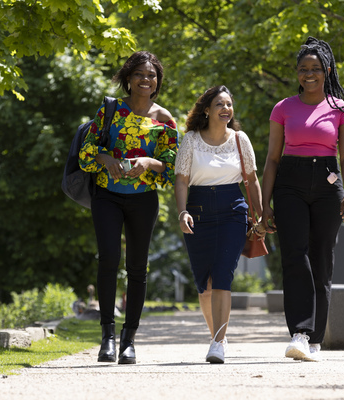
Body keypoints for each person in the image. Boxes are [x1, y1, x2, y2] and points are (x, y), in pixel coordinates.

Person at [78, 51, 178, 364]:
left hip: (143, 199)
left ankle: (128, 340)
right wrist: (106, 159)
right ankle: (107, 337)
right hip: (107, 195)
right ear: (128, 78)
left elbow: (173, 168)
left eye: (151, 75)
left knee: (137, 267)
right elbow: (86, 154)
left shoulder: (164, 118)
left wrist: (149, 161)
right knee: (108, 259)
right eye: (139, 74)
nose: (145, 80)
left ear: (157, 81)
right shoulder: (110, 110)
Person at [260, 37, 344, 362]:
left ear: (326, 70)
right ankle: (300, 333)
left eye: (316, 68)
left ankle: (315, 339)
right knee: (294, 256)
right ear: (297, 73)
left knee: (321, 259)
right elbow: (272, 159)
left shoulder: (341, 110)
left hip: (328, 184)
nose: (310, 74)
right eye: (304, 69)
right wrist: (264, 205)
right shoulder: (283, 108)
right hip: (290, 183)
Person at [175, 85, 264, 364]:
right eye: (219, 105)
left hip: (232, 211)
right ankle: (217, 337)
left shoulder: (240, 139)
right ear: (206, 110)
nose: (226, 109)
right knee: (206, 283)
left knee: (223, 275)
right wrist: (181, 212)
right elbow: (181, 179)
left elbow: (251, 178)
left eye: (228, 104)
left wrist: (260, 216)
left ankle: (218, 342)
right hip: (198, 210)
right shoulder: (190, 140)